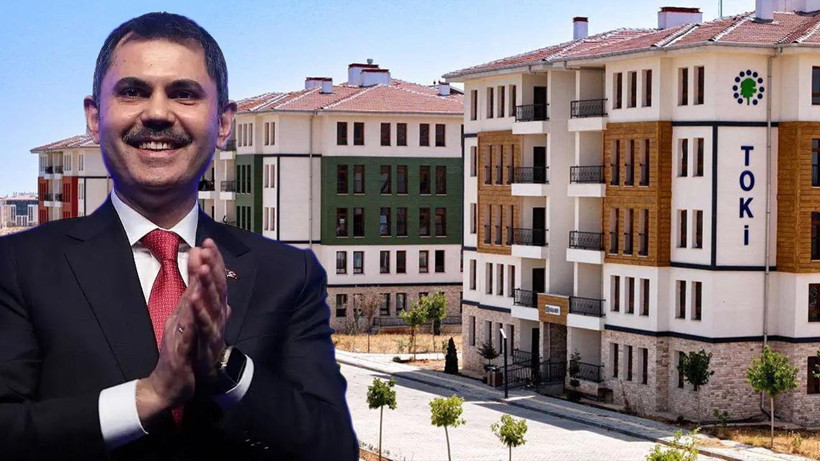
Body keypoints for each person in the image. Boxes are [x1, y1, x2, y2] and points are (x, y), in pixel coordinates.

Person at [0, 12, 358, 461]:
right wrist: (148, 396)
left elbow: (333, 448)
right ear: (94, 116)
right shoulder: (18, 267)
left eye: (184, 93)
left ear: (223, 122)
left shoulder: (288, 274)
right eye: (132, 92)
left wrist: (224, 367)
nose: (156, 113)